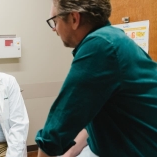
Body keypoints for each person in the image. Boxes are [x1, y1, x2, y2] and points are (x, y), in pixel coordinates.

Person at [35, 0, 157, 156]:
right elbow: (94, 115)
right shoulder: (113, 38)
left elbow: (57, 128)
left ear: (74, 18)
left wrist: (48, 148)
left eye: (55, 21)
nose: (54, 29)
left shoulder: (100, 45)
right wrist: (69, 154)